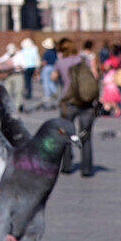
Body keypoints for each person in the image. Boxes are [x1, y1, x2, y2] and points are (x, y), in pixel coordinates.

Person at [52, 37, 96, 177]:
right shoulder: (84, 60)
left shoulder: (60, 62)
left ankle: (66, 166)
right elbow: (95, 76)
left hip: (69, 101)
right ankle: (87, 168)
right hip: (86, 101)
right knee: (86, 137)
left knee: (66, 135)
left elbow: (53, 77)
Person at [0, 43, 24, 112]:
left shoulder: (19, 55)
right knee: (7, 90)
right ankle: (8, 106)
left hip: (17, 74)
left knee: (18, 91)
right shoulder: (7, 55)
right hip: (9, 74)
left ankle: (17, 106)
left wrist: (16, 66)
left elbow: (23, 65)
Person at [40, 38, 58, 104]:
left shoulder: (46, 53)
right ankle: (54, 91)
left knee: (46, 81)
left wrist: (41, 67)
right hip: (53, 67)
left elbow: (44, 62)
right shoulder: (54, 52)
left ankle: (47, 95)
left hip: (47, 67)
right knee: (51, 81)